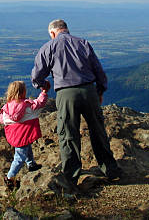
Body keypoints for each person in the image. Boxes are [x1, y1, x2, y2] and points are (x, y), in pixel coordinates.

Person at [31, 19, 121, 192]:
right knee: (98, 131)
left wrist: (43, 85)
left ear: (52, 33)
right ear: (66, 30)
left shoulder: (48, 47)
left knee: (68, 135)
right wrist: (100, 91)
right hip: (89, 91)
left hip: (66, 94)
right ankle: (111, 170)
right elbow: (98, 70)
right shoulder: (83, 43)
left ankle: (71, 178)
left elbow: (36, 75)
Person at [0, 80, 49, 189]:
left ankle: (31, 164)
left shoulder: (6, 108)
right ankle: (10, 177)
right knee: (19, 157)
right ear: (23, 93)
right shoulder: (27, 106)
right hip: (23, 134)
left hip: (15, 136)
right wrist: (44, 92)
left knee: (27, 146)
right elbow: (40, 103)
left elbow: (1, 120)